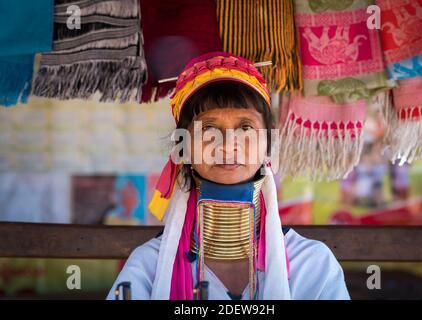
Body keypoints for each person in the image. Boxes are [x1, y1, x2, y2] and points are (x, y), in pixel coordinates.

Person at [107, 52, 349, 300]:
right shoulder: (147, 267)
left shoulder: (312, 265)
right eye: (209, 128)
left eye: (246, 127)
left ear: (268, 143)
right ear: (182, 147)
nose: (228, 144)